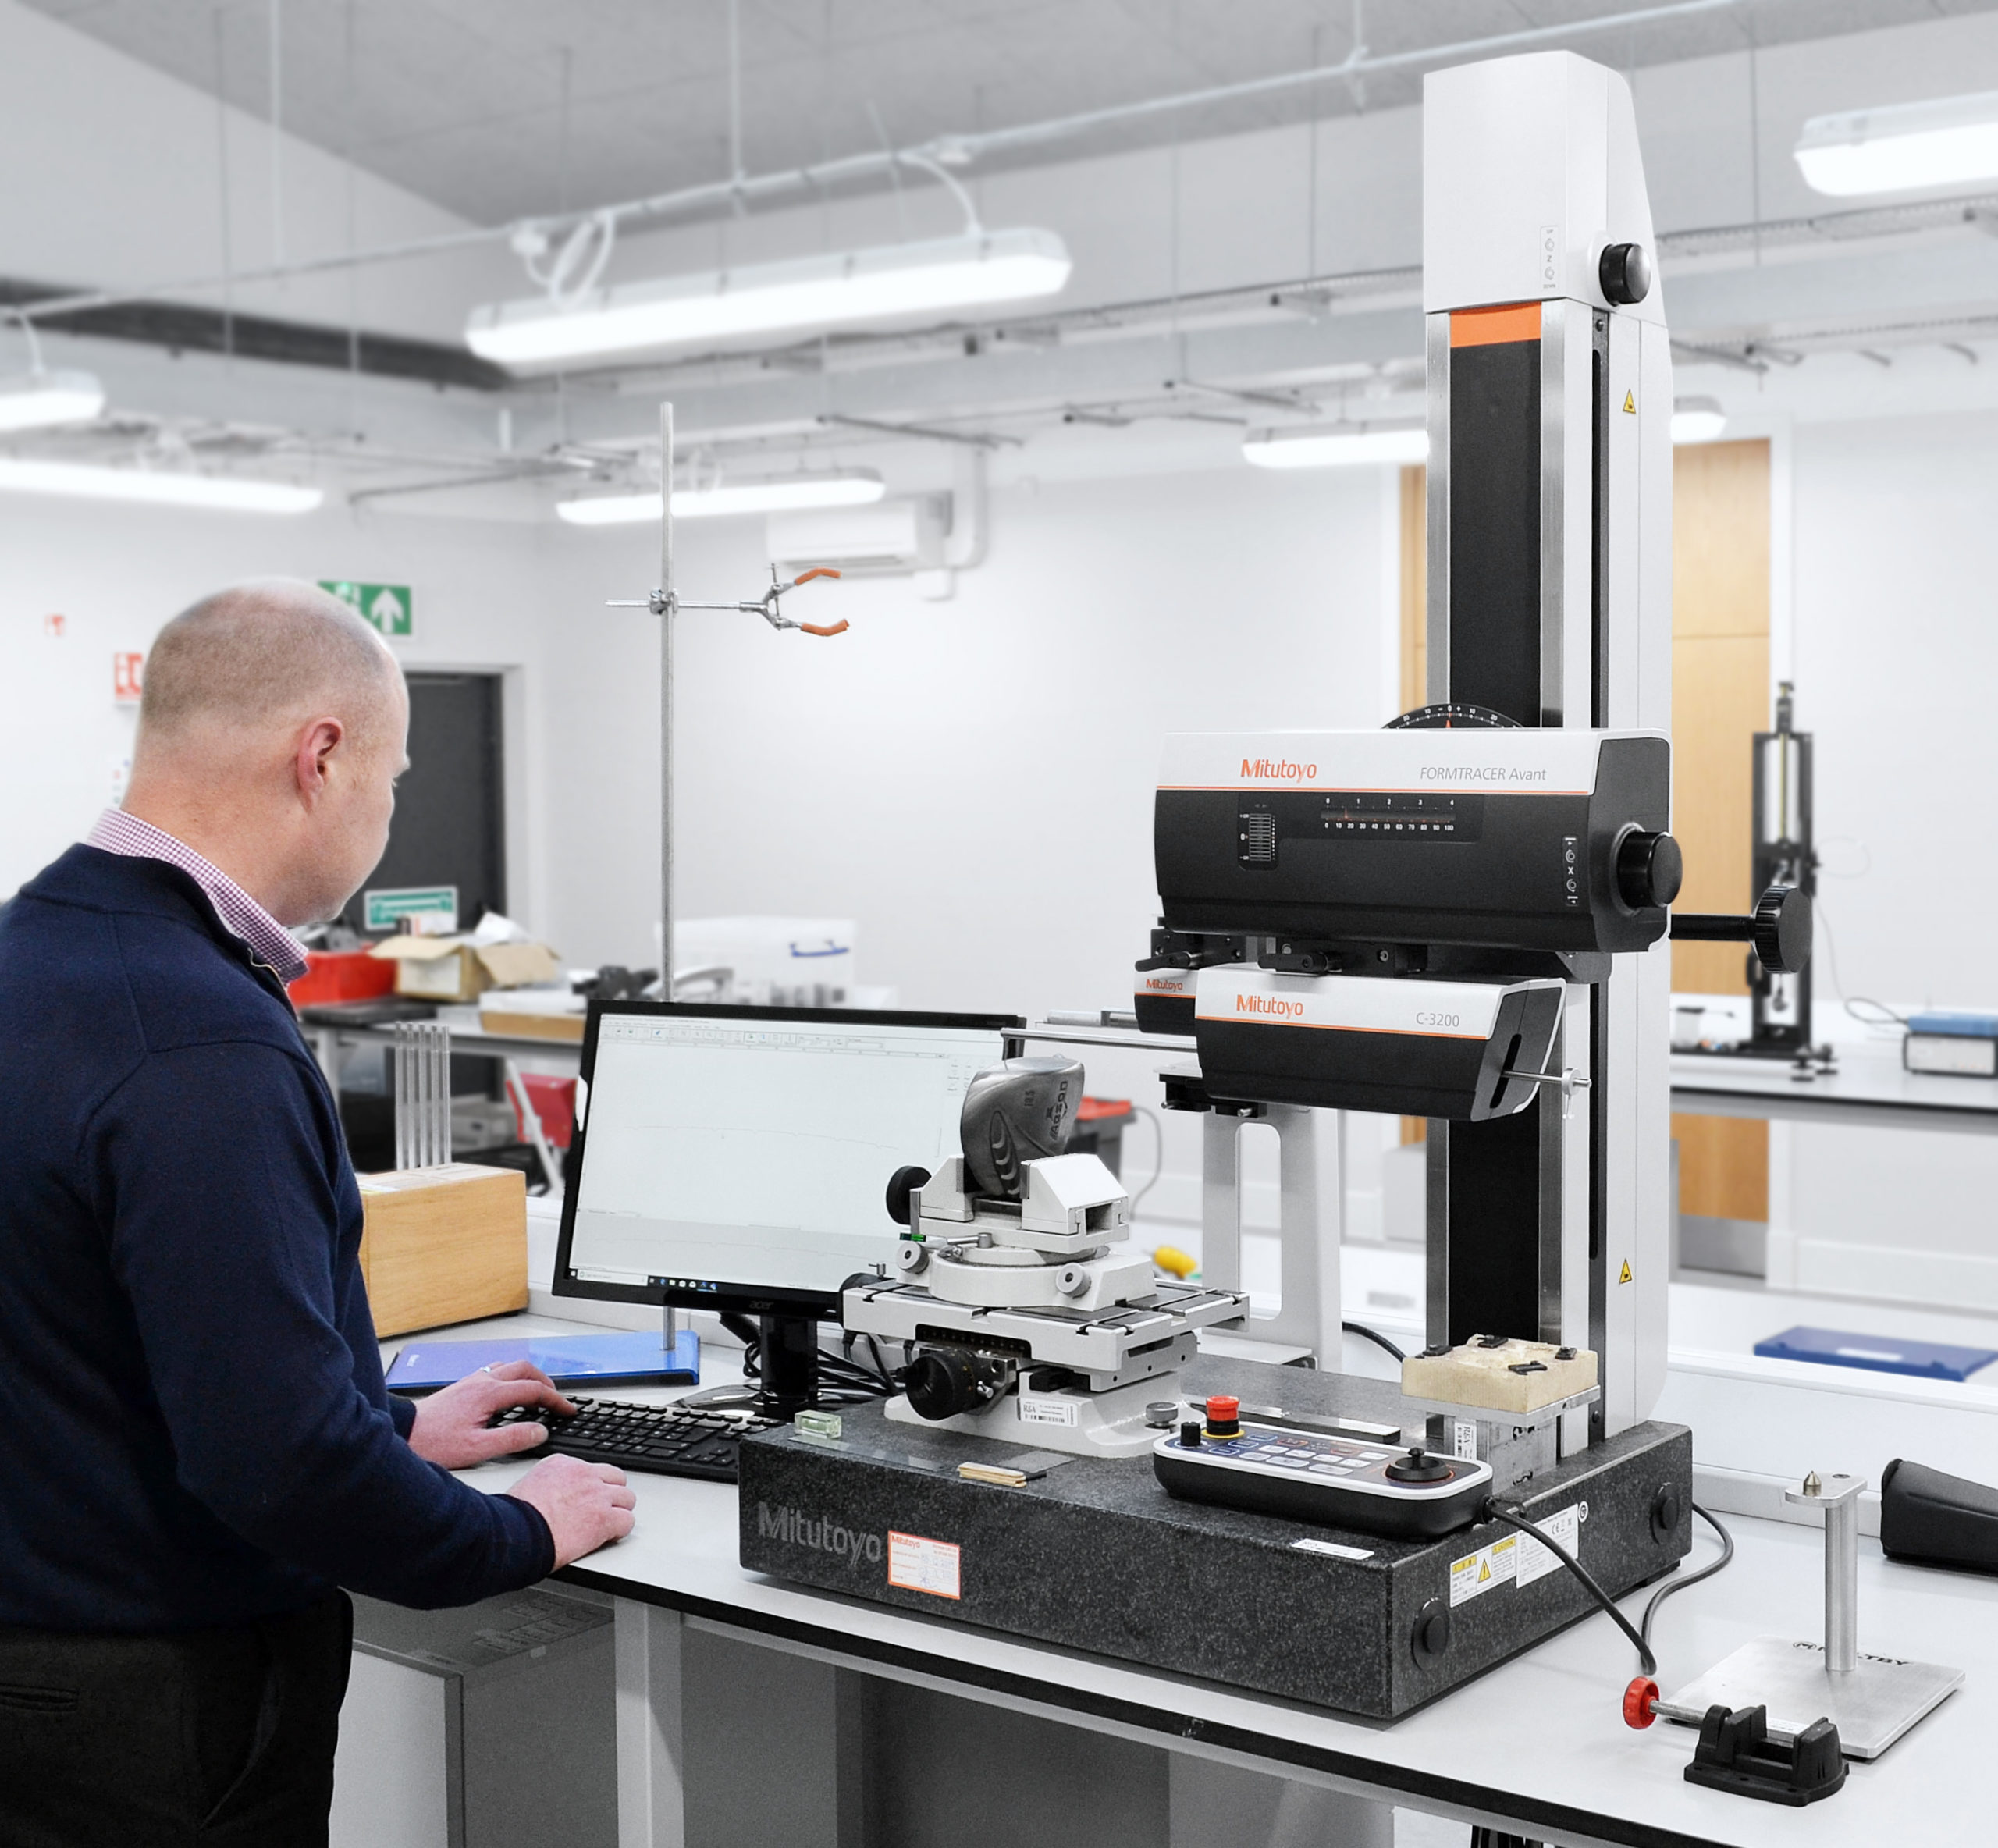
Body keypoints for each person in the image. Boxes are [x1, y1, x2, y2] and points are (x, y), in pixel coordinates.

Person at [0, 581, 634, 1846]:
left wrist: (390, 1429)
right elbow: (278, 1463)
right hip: (153, 1704)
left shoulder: (36, 950)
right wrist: (517, 1532)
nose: (385, 816)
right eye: (391, 783)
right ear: (323, 758)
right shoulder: (198, 1038)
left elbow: (99, 1336)